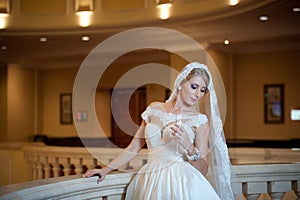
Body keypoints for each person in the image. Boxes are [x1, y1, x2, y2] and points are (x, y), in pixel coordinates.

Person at [83, 62, 234, 200]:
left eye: (203, 90)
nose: (197, 94)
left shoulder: (200, 121)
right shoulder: (154, 109)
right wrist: (106, 169)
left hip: (183, 183)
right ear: (181, 83)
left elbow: (204, 169)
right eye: (194, 87)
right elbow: (134, 146)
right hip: (150, 179)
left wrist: (189, 147)